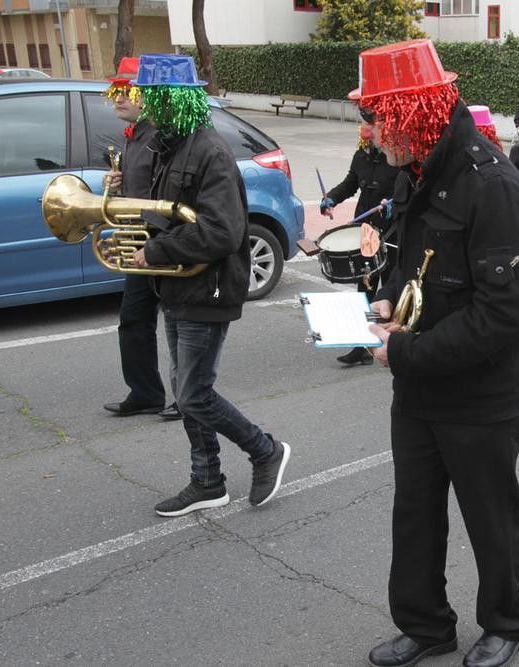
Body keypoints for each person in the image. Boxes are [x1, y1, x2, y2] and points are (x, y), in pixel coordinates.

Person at [353, 39, 519, 667]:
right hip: (422, 385)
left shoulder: (497, 187)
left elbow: (504, 314)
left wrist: (405, 355)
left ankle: (506, 622)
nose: (372, 133)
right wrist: (384, 300)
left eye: (378, 117)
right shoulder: (417, 171)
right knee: (415, 514)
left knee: (489, 517)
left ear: (412, 113)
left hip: (483, 393)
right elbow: (409, 262)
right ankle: (426, 625)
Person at [130, 54, 291, 517]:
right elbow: (171, 214)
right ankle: (207, 480)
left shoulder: (210, 151)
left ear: (175, 99)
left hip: (208, 287)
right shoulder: (170, 146)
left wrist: (157, 251)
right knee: (186, 388)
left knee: (193, 393)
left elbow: (222, 232)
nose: (146, 107)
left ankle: (265, 450)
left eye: (153, 97)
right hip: (177, 286)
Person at [101, 57, 182, 421]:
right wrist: (115, 189)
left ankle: (188, 395)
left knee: (179, 322)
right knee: (133, 319)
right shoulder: (132, 136)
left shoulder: (162, 135)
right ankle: (146, 392)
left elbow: (170, 191)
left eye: (126, 91)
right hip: (138, 241)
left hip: (162, 238)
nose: (119, 98)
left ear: (146, 95)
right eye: (115, 91)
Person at [320, 122, 400, 366]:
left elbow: (411, 190)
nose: (368, 146)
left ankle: (396, 344)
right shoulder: (360, 158)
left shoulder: (395, 159)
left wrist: (394, 205)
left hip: (392, 232)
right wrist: (331, 198)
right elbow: (350, 184)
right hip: (365, 231)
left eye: (371, 141)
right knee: (364, 287)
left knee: (390, 288)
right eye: (365, 142)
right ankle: (361, 345)